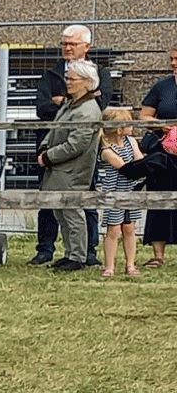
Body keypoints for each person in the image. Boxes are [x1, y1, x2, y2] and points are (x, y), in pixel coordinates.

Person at [30, 26, 106, 264]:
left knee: (73, 213)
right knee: (60, 213)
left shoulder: (87, 110)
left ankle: (79, 255)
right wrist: (44, 149)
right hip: (59, 167)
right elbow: (50, 120)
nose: (67, 83)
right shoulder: (71, 104)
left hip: (72, 170)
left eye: (72, 80)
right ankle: (68, 253)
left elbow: (78, 143)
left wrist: (49, 156)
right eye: (67, 78)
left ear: (87, 82)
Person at [120, 116, 177, 268]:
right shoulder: (159, 157)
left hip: (163, 157)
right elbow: (145, 115)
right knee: (158, 206)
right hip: (164, 155)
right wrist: (161, 125)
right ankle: (158, 256)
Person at [93, 107, 144, 277]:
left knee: (129, 228)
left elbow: (138, 159)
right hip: (115, 191)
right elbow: (124, 167)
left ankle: (130, 264)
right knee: (113, 230)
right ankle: (109, 266)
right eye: (128, 124)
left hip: (131, 189)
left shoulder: (131, 142)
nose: (132, 127)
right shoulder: (107, 150)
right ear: (119, 129)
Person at [142, 45, 177, 122]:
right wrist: (161, 125)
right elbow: (144, 116)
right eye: (171, 59)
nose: (173, 63)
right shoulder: (161, 86)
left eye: (176, 59)